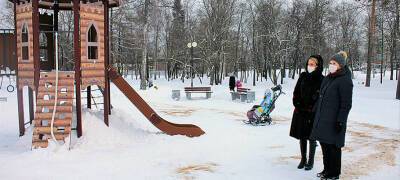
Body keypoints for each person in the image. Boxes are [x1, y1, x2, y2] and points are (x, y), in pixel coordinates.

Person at [310, 51, 353, 180]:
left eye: (334, 63)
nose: (331, 65)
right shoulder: (329, 77)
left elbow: (346, 104)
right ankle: (327, 170)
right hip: (323, 119)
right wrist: (314, 111)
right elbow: (321, 97)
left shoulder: (345, 80)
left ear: (341, 65)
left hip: (334, 121)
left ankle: (334, 173)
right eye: (330, 63)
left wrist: (340, 120)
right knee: (324, 145)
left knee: (333, 148)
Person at [290, 55, 324, 171]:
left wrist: (311, 107)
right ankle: (303, 159)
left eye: (312, 64)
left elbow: (320, 98)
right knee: (302, 136)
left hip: (312, 112)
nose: (309, 66)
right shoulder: (303, 76)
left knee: (311, 137)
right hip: (300, 111)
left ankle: (311, 160)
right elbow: (296, 92)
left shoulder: (321, 79)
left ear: (317, 66)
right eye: (308, 64)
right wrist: (298, 104)